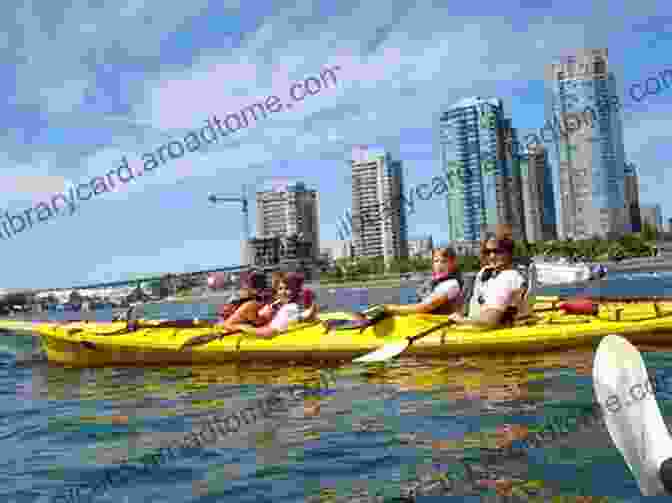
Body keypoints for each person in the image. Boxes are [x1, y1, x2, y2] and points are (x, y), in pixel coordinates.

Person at [449, 237, 528, 328]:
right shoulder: (488, 273)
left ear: (509, 253)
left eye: (497, 251)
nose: (492, 256)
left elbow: (489, 321)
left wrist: (460, 320)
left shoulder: (507, 278)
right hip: (476, 324)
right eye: (487, 252)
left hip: (487, 330)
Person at [231, 272, 318, 338]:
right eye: (280, 289)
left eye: (287, 289)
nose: (282, 292)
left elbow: (270, 333)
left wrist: (243, 328)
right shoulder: (286, 305)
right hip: (278, 324)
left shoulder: (289, 309)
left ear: (296, 290)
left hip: (270, 333)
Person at [382, 247, 464, 316]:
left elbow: (425, 307)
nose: (439, 265)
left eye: (444, 261)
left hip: (444, 328)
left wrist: (392, 309)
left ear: (453, 264)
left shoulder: (452, 284)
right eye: (436, 261)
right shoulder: (435, 284)